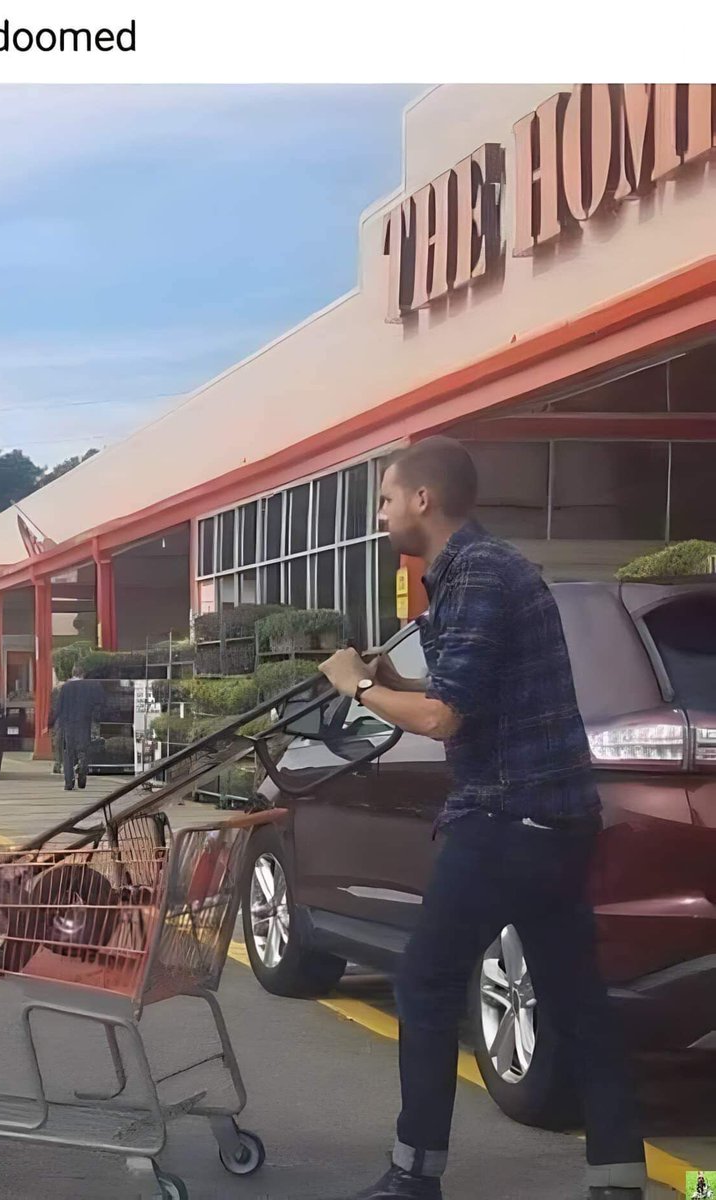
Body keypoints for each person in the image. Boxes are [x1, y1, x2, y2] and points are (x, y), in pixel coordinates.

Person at [319, 437, 646, 1200]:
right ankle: (620, 1178)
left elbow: (442, 720)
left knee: (427, 981)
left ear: (423, 501)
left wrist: (354, 689)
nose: (382, 515)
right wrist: (391, 677)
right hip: (555, 823)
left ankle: (414, 1177)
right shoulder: (486, 570)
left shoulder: (478, 574)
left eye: (387, 499)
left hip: (506, 818)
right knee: (576, 1000)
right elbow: (465, 694)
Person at [47, 665, 101, 791]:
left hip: (68, 725)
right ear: (83, 674)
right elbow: (98, 704)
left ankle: (69, 782)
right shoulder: (90, 688)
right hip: (84, 723)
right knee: (83, 750)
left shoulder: (65, 688)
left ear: (72, 674)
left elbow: (58, 707)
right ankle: (82, 768)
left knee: (68, 753)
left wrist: (50, 722)